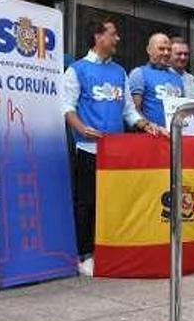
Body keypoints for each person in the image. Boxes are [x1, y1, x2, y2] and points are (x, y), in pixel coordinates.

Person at [62, 17, 161, 276]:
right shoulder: (76, 70)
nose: (117, 39)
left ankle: (107, 249)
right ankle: (83, 254)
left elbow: (129, 110)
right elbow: (67, 107)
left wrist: (144, 124)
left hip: (116, 153)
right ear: (98, 36)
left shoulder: (119, 72)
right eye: (113, 34)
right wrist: (81, 128)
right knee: (87, 203)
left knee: (113, 204)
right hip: (88, 149)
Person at [127, 33, 184, 127]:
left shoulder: (177, 77)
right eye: (161, 49)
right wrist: (148, 126)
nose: (166, 53)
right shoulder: (139, 73)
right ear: (149, 50)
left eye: (169, 49)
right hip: (150, 137)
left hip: (175, 136)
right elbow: (134, 110)